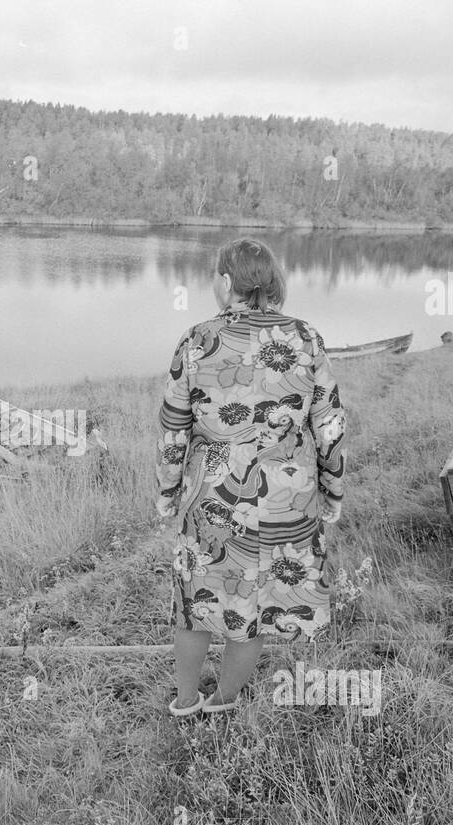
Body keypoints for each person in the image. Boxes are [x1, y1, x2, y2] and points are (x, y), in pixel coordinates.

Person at [156, 237, 347, 716]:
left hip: (215, 490)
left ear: (225, 282)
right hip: (289, 493)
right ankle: (224, 699)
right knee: (257, 605)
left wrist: (168, 492)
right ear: (271, 282)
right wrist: (333, 490)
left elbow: (174, 430)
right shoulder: (306, 338)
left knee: (197, 596)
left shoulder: (197, 340)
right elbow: (329, 425)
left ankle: (185, 699)